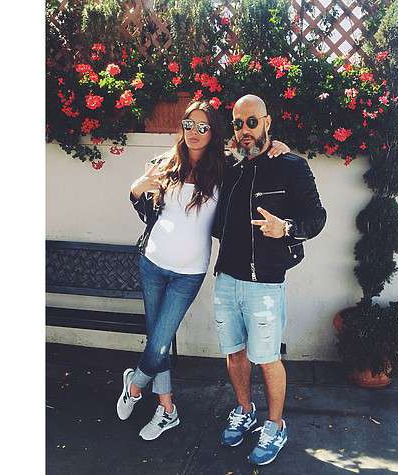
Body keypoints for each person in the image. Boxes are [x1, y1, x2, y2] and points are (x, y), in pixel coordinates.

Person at [116, 99, 290, 441]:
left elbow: (256, 155)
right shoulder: (166, 162)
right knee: (158, 339)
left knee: (159, 343)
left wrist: (279, 146)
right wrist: (136, 188)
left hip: (189, 273)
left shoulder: (225, 169)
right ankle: (167, 409)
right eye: (188, 125)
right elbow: (143, 204)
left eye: (202, 127)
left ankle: (134, 386)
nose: (194, 132)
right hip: (152, 264)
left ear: (213, 132)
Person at [212, 94, 327, 466]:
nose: (244, 130)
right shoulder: (231, 169)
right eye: (238, 123)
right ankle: (245, 410)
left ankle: (275, 425)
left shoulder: (291, 165)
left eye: (251, 121)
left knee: (267, 358)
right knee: (234, 353)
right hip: (226, 278)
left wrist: (286, 228)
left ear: (267, 122)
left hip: (264, 283)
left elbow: (317, 217)